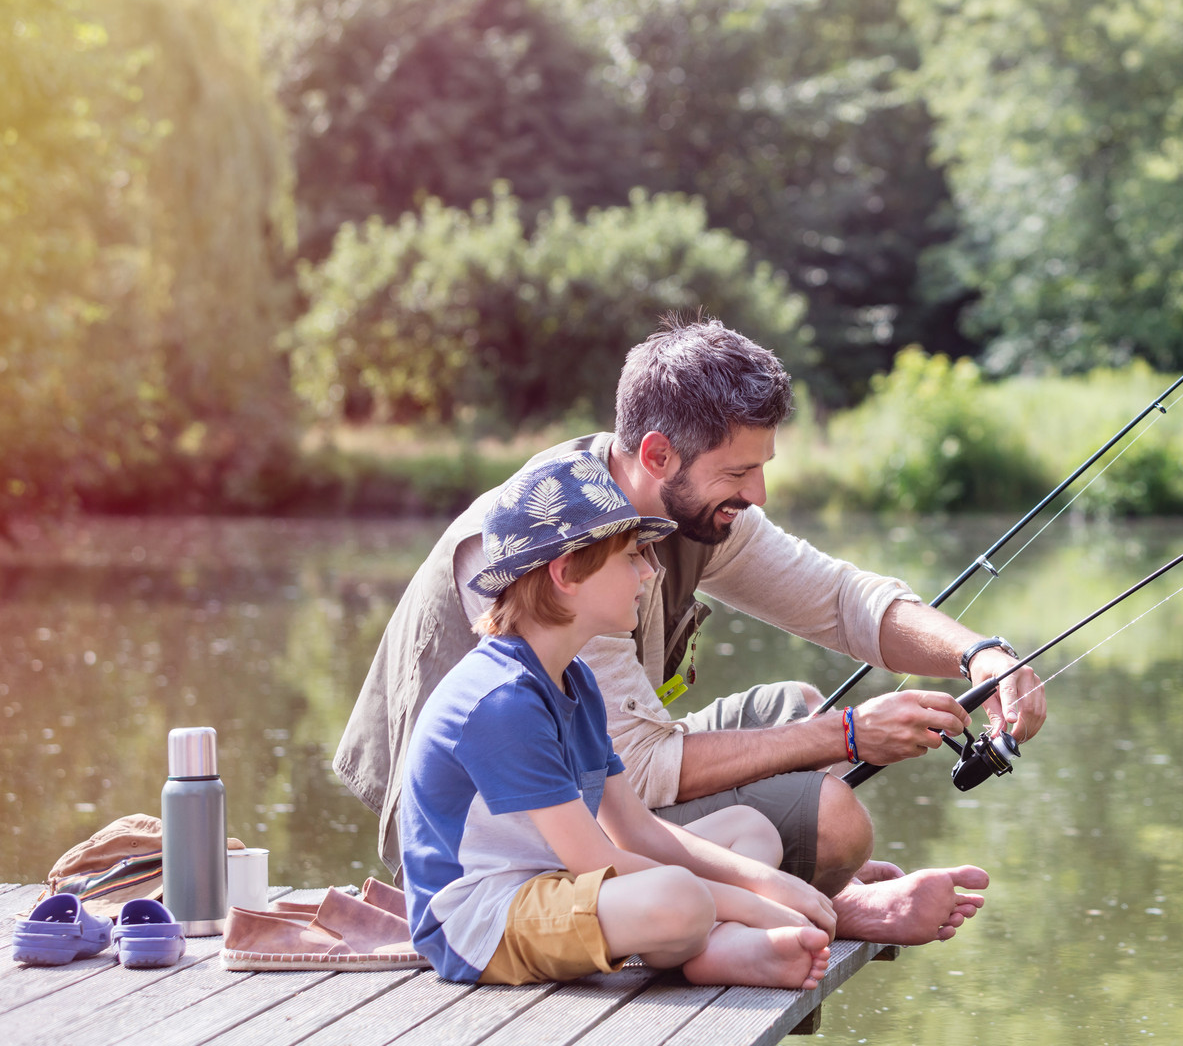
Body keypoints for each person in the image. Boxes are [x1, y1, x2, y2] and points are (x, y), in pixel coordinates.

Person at [338, 317, 1050, 946]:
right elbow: (635, 774)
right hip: (503, 851)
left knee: (796, 708)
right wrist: (851, 736)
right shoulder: (562, 550)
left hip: (606, 798)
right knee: (832, 815)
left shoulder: (685, 511)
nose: (758, 495)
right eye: (740, 471)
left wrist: (979, 654)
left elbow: (837, 599)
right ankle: (835, 905)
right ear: (656, 455)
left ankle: (812, 899)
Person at [401, 449, 837, 987]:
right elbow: (593, 859)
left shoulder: (574, 679)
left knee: (747, 829)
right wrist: (756, 903)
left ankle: (712, 948)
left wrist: (767, 888)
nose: (650, 570)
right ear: (566, 573)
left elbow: (634, 829)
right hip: (482, 922)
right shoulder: (501, 702)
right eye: (631, 556)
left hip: (556, 887)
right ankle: (715, 939)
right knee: (679, 896)